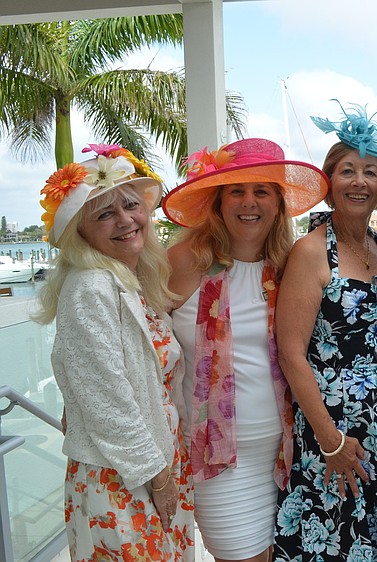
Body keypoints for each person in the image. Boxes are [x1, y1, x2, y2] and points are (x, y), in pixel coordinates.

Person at [273, 104, 377, 561]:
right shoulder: (310, 252)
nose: (359, 181)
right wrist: (331, 440)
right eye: (347, 171)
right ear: (330, 182)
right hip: (335, 431)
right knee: (335, 543)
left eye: (370, 171)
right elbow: (291, 354)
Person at [162, 138, 328, 562]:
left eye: (262, 191)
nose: (249, 202)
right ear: (218, 202)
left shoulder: (289, 264)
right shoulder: (183, 261)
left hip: (288, 453)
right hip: (217, 461)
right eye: (237, 190)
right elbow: (142, 343)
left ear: (278, 203)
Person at [34, 144, 193, 560]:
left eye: (130, 205)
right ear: (81, 232)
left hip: (146, 463)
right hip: (122, 476)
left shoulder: (130, 280)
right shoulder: (91, 287)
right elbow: (108, 404)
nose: (125, 220)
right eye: (104, 214)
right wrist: (159, 480)